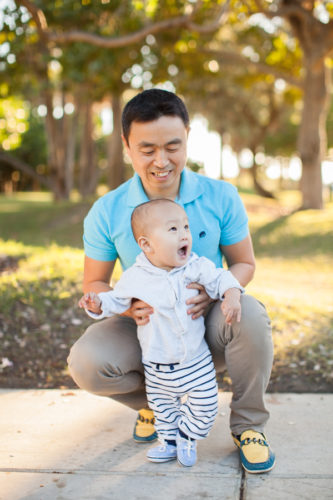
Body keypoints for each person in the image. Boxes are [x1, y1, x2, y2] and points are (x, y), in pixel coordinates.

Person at [68, 88, 275, 474]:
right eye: (147, 149)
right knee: (87, 363)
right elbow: (94, 283)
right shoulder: (106, 210)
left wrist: (215, 294)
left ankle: (248, 427)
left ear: (187, 139)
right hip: (146, 325)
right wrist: (128, 307)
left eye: (172, 146)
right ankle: (157, 405)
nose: (161, 161)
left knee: (249, 313)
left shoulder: (221, 196)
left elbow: (244, 262)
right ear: (127, 146)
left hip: (206, 320)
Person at [79, 199, 244, 467]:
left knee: (206, 404)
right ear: (146, 244)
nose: (184, 234)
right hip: (156, 363)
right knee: (163, 409)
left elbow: (221, 277)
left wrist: (233, 294)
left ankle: (188, 435)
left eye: (186, 227)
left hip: (194, 359)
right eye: (173, 229)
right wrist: (97, 303)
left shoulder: (195, 266)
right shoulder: (135, 277)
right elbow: (115, 300)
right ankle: (168, 441)